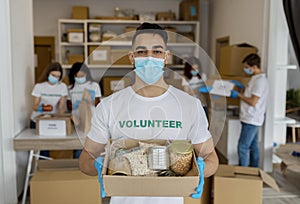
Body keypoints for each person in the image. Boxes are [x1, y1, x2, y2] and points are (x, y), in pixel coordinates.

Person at [79, 22, 218, 204]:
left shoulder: (190, 105)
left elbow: (211, 158)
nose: (149, 57)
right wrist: (98, 167)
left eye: (157, 51)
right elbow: (84, 159)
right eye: (142, 51)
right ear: (132, 57)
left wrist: (200, 171)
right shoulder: (109, 106)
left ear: (166, 57)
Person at [230, 53, 268, 167]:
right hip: (249, 117)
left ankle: (243, 173)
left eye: (247, 67)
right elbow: (251, 93)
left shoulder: (260, 81)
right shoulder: (255, 78)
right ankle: (253, 171)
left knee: (242, 147)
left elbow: (253, 102)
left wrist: (238, 95)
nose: (245, 69)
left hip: (252, 118)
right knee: (253, 146)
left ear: (255, 67)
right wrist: (241, 87)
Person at [30, 62, 68, 157]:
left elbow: (61, 107)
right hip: (37, 120)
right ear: (48, 74)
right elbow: (34, 106)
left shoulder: (62, 87)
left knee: (48, 147)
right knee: (39, 148)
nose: (55, 78)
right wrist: (43, 108)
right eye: (53, 75)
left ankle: (45, 167)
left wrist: (61, 118)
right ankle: (39, 168)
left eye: (57, 76)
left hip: (51, 120)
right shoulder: (39, 86)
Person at [67, 62, 102, 158]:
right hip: (76, 120)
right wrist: (75, 105)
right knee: (77, 144)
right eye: (77, 76)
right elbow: (68, 105)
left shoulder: (94, 85)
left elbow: (97, 102)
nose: (79, 78)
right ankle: (78, 164)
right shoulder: (71, 88)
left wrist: (87, 101)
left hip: (91, 119)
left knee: (89, 144)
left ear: (86, 74)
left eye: (81, 75)